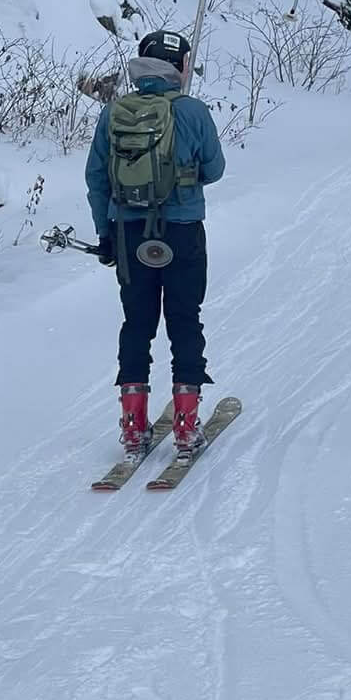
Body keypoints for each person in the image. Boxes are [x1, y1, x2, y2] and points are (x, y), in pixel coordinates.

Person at [85, 30, 225, 462]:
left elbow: (96, 181)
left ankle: (133, 429)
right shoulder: (194, 111)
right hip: (182, 231)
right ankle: (185, 427)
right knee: (184, 320)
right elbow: (215, 169)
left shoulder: (113, 114)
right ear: (180, 65)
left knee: (137, 324)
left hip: (129, 235)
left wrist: (106, 236)